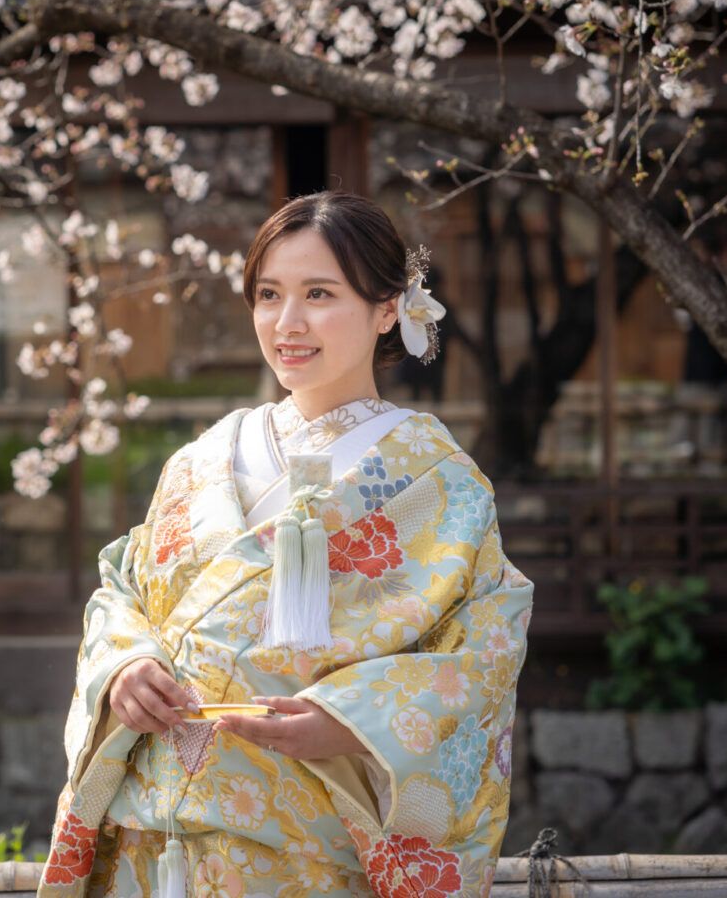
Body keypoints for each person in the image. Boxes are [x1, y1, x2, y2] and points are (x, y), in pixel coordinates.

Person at [38, 192, 535, 898]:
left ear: (387, 308)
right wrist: (126, 666)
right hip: (153, 832)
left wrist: (355, 720)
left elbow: (486, 649)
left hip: (308, 843)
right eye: (268, 295)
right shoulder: (202, 460)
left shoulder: (439, 479)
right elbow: (124, 590)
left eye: (319, 294)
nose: (287, 323)